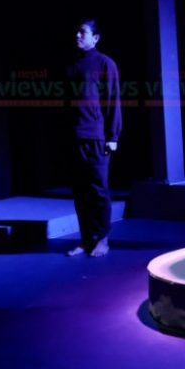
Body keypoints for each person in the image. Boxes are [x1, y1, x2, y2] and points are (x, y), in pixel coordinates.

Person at [66, 18, 121, 258]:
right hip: (75, 136)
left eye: (83, 32)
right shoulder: (71, 66)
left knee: (98, 189)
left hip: (97, 137)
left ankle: (102, 238)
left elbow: (112, 100)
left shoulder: (105, 64)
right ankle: (86, 239)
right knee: (80, 191)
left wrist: (112, 135)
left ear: (95, 38)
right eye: (77, 32)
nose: (77, 36)